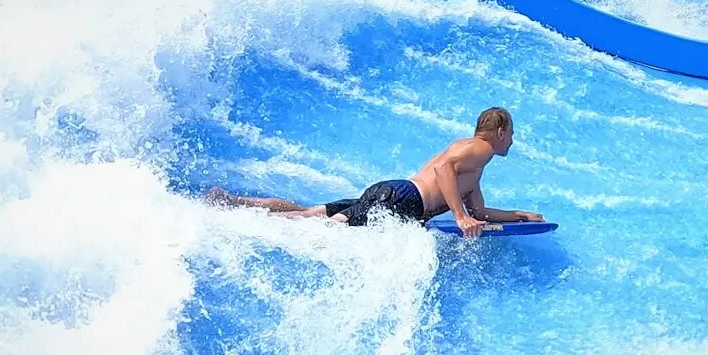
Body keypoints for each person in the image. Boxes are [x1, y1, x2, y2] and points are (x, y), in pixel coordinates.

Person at [207, 108, 545, 239]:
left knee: (311, 212)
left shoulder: (472, 171)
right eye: (511, 135)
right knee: (318, 226)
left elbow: (480, 213)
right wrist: (458, 217)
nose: (512, 142)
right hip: (403, 201)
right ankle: (229, 225)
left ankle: (234, 203)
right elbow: (445, 169)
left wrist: (522, 216)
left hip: (393, 192)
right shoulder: (479, 149)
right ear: (499, 132)